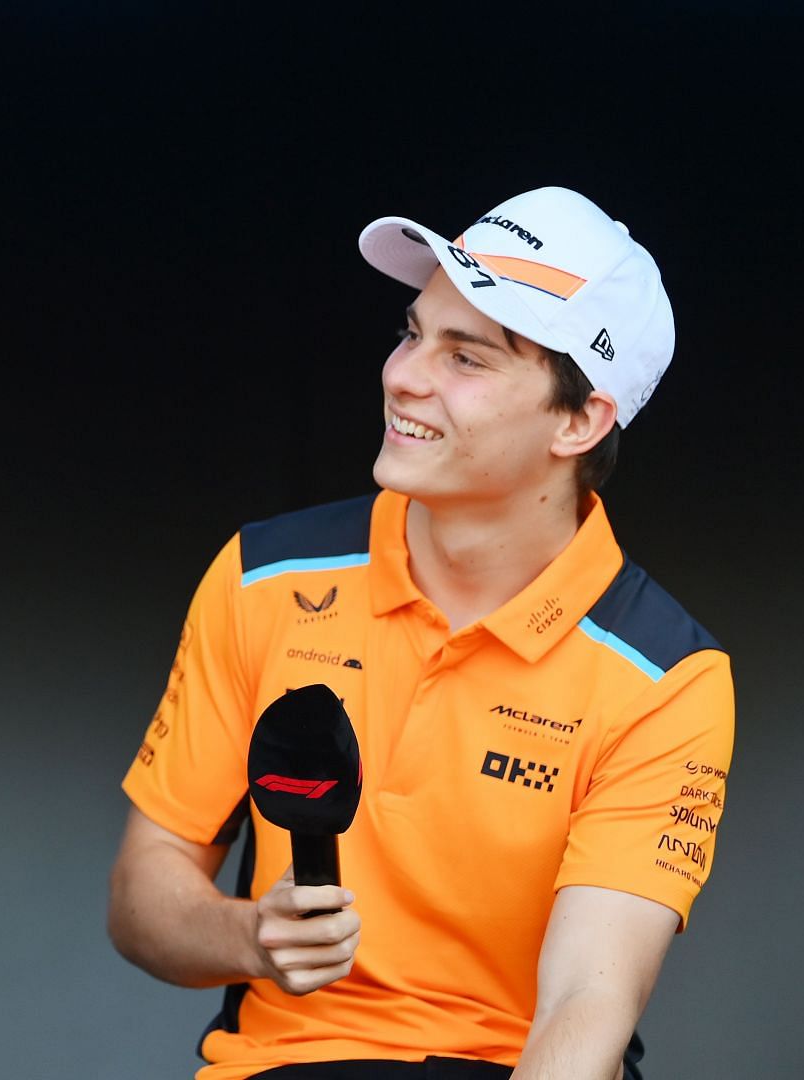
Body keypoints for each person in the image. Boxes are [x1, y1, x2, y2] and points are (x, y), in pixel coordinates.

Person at [107, 187, 733, 1080]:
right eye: (412, 332)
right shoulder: (263, 578)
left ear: (580, 419)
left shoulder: (666, 677)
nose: (403, 375)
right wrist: (247, 934)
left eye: (466, 357)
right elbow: (142, 894)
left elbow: (584, 1009)